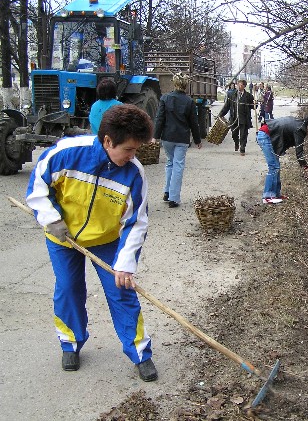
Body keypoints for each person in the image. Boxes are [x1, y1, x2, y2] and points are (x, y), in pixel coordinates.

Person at [25, 104, 158, 381]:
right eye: (129, 150)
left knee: (122, 292)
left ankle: (139, 352)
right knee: (69, 288)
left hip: (106, 241)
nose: (133, 156)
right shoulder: (66, 154)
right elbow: (38, 186)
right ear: (108, 141)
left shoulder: (133, 173)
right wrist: (52, 219)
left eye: (136, 150)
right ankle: (70, 343)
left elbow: (136, 222)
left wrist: (125, 264)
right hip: (63, 238)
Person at [152, 72, 202, 208]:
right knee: (178, 165)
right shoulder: (189, 102)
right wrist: (198, 140)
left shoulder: (165, 98)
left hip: (167, 137)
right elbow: (194, 123)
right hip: (182, 138)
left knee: (170, 163)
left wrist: (155, 136)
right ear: (186, 85)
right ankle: (174, 198)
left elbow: (160, 118)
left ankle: (167, 192)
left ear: (174, 83)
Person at [256, 115, 308, 204]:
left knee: (276, 166)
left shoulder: (299, 123)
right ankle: (267, 197)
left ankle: (275, 195)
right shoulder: (300, 130)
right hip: (265, 136)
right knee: (274, 167)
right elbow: (299, 153)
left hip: (267, 135)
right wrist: (306, 168)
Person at [218, 79, 254, 155]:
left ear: (244, 86)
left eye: (241, 85)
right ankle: (236, 143)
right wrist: (220, 114)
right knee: (234, 134)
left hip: (243, 119)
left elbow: (253, 106)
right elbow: (226, 106)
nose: (239, 86)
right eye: (238, 85)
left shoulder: (249, 96)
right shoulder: (232, 95)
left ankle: (242, 148)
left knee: (243, 135)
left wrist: (255, 104)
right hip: (234, 118)